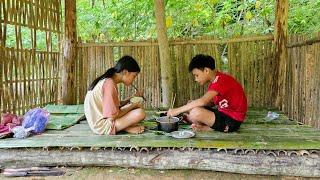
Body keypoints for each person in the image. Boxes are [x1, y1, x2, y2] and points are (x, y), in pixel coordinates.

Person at [167, 54, 247, 132]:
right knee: (192, 107)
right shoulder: (215, 82)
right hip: (222, 113)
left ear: (206, 71)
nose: (195, 79)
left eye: (196, 75)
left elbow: (203, 101)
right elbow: (212, 103)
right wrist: (192, 104)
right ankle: (207, 127)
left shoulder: (221, 80)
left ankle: (210, 127)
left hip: (232, 120)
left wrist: (176, 111)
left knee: (195, 113)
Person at [84, 55, 146, 135]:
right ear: (125, 72)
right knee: (140, 113)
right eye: (134, 76)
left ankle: (125, 127)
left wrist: (132, 98)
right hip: (102, 127)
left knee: (135, 111)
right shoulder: (109, 84)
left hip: (101, 122)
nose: (134, 79)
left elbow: (114, 106)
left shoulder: (107, 80)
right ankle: (124, 128)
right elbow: (113, 116)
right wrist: (133, 105)